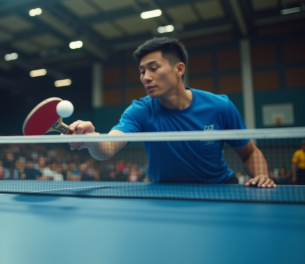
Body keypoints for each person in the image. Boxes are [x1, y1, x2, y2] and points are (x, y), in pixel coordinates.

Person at [68, 37, 275, 188]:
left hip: (219, 188)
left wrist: (262, 176)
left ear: (179, 69)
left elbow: (250, 152)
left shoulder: (219, 106)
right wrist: (93, 140)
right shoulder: (140, 111)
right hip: (165, 193)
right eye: (142, 71)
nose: (145, 77)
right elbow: (108, 146)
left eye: (154, 68)